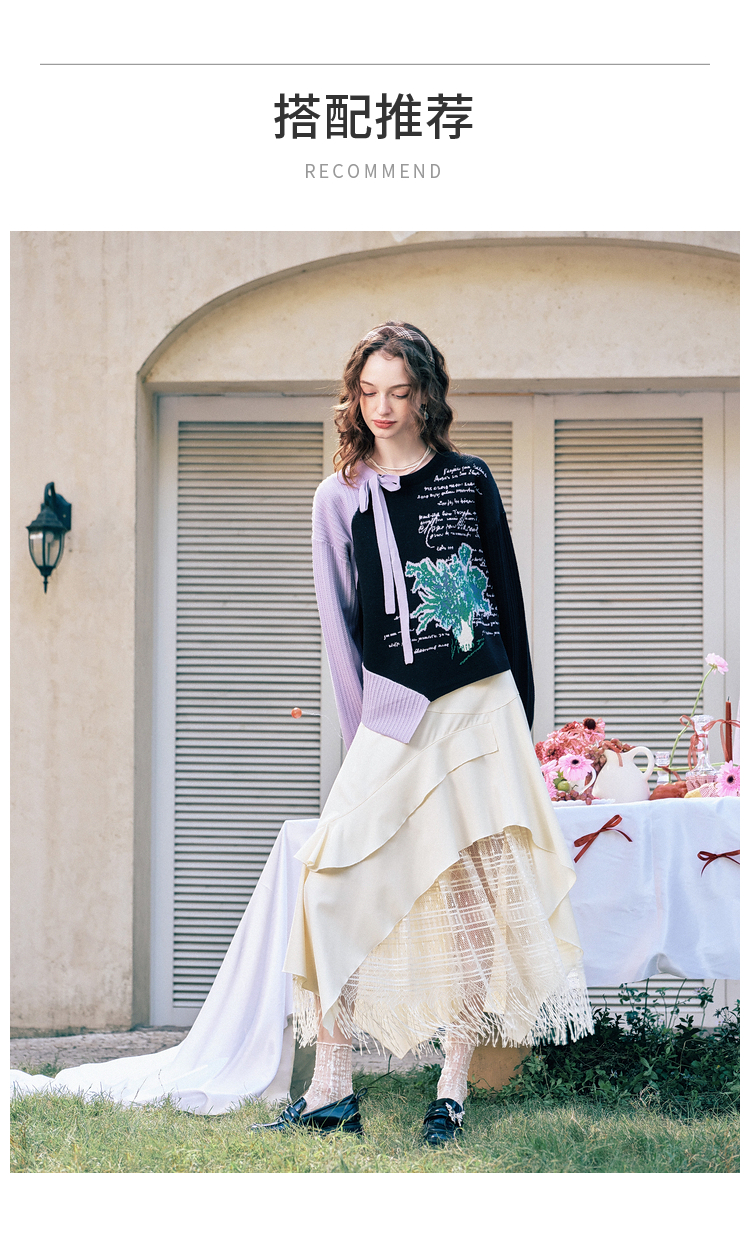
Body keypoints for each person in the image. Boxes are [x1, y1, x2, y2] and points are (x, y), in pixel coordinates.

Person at [252, 321, 593, 1145]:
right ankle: (331, 1084)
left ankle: (452, 1086)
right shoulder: (338, 496)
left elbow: (507, 602)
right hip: (394, 713)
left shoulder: (470, 479)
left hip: (480, 708)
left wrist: (520, 725)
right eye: (368, 393)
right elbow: (342, 632)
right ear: (354, 397)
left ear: (426, 395)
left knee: (472, 896)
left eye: (399, 392)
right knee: (327, 882)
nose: (382, 408)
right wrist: (363, 738)